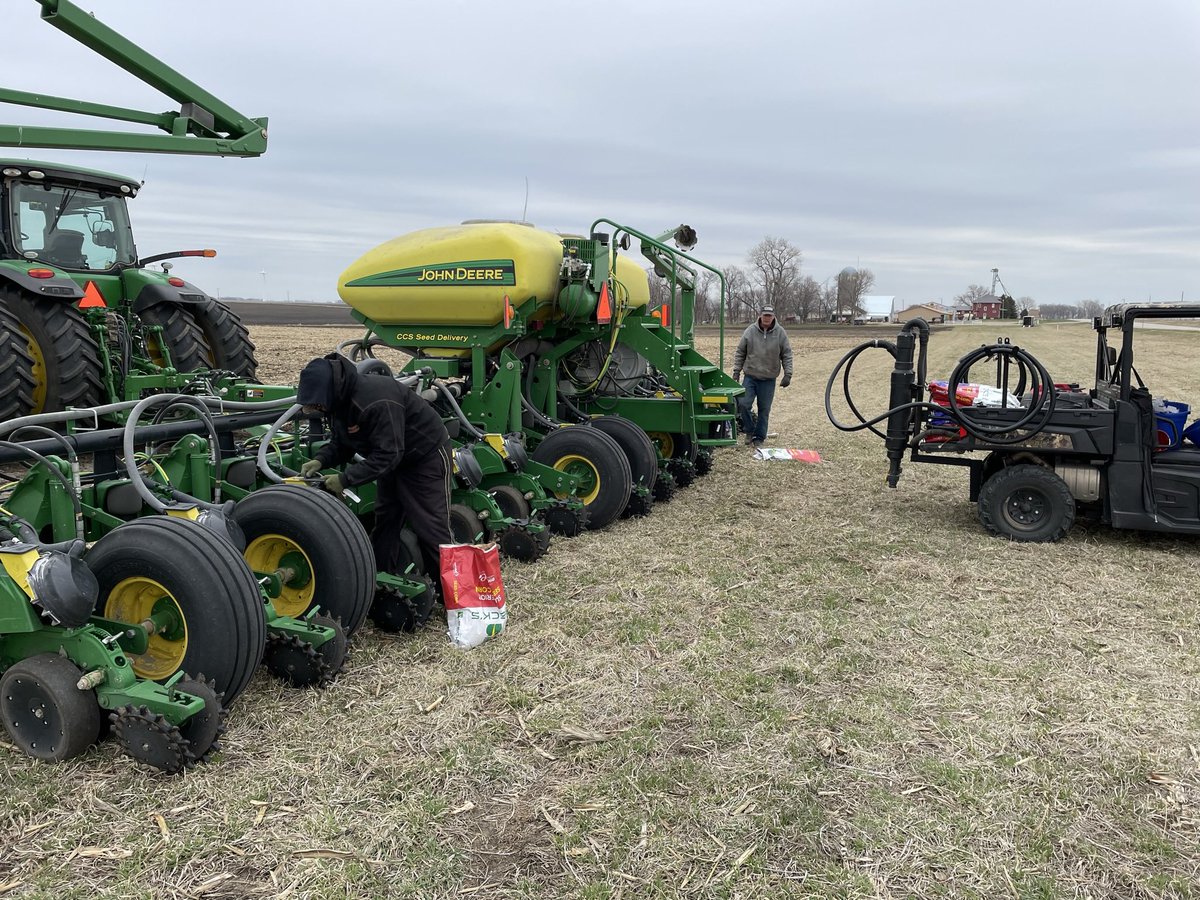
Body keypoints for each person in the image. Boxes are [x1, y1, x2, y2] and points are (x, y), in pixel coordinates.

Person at [296, 352, 452, 586]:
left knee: (430, 527)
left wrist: (345, 479)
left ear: (328, 390)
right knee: (385, 522)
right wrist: (320, 460)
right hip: (392, 459)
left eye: (317, 403)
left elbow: (390, 453)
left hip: (424, 457)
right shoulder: (339, 401)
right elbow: (343, 443)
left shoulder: (375, 401)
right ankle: (381, 583)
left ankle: (453, 596)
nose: (317, 408)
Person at [732, 305, 793, 447]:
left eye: (769, 316)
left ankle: (759, 438)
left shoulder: (780, 333)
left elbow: (787, 354)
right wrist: (736, 371)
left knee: (764, 409)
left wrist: (788, 374)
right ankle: (749, 430)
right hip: (750, 376)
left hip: (768, 378)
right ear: (760, 316)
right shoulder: (750, 331)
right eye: (764, 315)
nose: (766, 318)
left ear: (773, 317)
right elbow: (740, 352)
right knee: (743, 404)